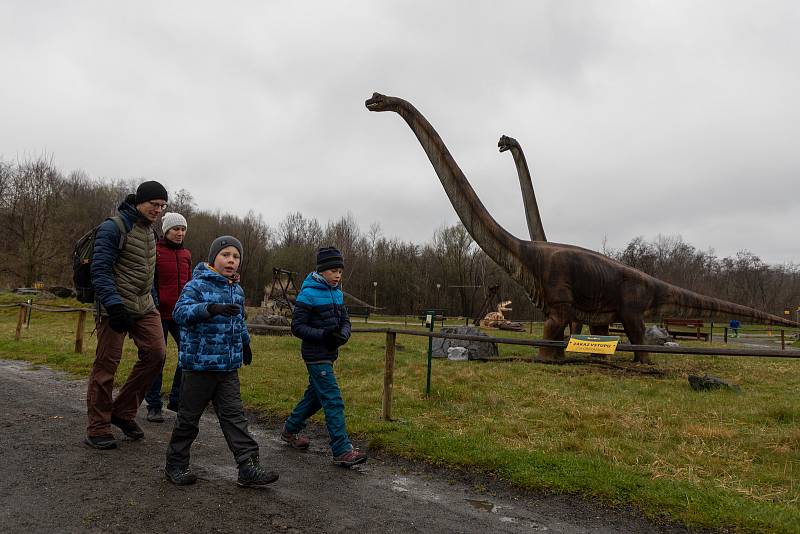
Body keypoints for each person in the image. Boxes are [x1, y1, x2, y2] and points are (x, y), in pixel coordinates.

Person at [164, 236, 278, 487]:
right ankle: (176, 465)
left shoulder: (236, 290)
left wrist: (245, 344)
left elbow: (238, 322)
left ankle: (247, 466)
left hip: (227, 367)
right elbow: (179, 313)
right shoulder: (196, 286)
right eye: (226, 255)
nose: (231, 260)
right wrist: (210, 308)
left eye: (236, 257)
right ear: (214, 257)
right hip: (198, 366)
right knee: (188, 419)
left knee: (235, 417)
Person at [85, 181, 169, 450]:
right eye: (154, 204)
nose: (158, 210)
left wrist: (153, 301)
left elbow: (147, 274)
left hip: (144, 306)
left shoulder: (150, 232)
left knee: (157, 354)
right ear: (138, 202)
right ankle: (98, 427)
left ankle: (122, 412)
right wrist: (114, 305)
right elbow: (99, 270)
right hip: (114, 308)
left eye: (162, 206)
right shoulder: (114, 227)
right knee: (106, 366)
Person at [280, 246, 367, 467]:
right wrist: (325, 335)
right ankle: (341, 449)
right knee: (332, 399)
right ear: (322, 270)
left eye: (340, 271)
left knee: (316, 397)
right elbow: (297, 327)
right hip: (314, 354)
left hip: (329, 353)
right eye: (333, 271)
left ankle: (290, 430)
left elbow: (345, 321)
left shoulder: (336, 292)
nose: (338, 275)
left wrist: (342, 335)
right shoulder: (308, 294)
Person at [144, 212, 192, 422]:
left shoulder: (186, 255)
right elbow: (149, 282)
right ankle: (153, 405)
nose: (180, 233)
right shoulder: (155, 252)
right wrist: (154, 303)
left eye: (183, 229)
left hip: (180, 314)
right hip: (158, 314)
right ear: (166, 231)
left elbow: (191, 284)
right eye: (176, 229)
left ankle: (177, 399)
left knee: (188, 354)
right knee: (158, 358)